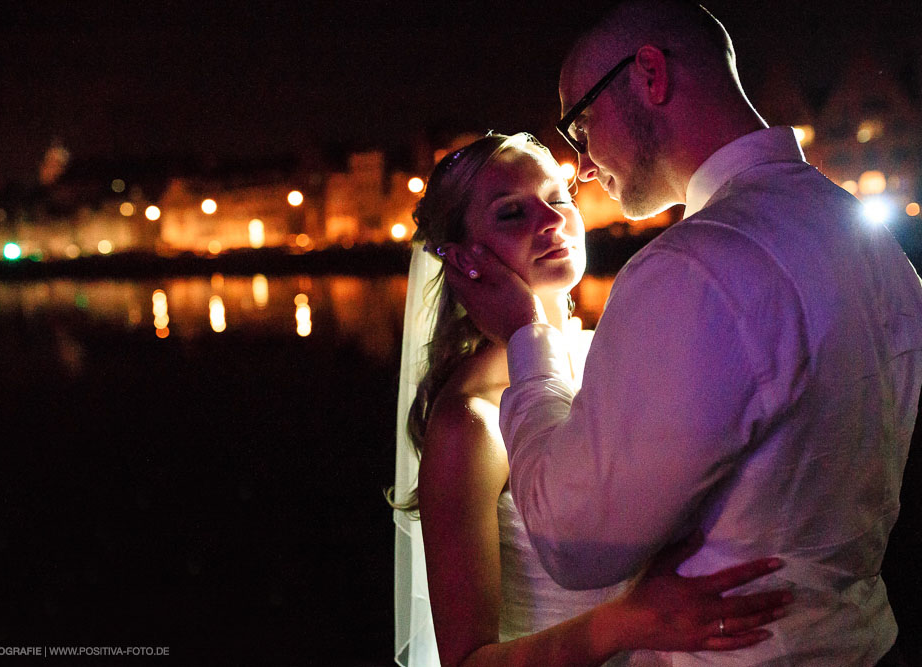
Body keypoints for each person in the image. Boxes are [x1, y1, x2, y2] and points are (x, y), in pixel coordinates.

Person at [440, 2, 922, 665]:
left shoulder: (691, 266)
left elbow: (572, 540)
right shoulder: (872, 245)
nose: (582, 166)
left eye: (581, 124)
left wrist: (527, 337)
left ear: (648, 74)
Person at [392, 131, 793, 667]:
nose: (552, 220)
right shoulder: (471, 423)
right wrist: (625, 622)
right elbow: (468, 661)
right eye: (511, 213)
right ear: (466, 259)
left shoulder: (619, 354)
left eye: (558, 199)